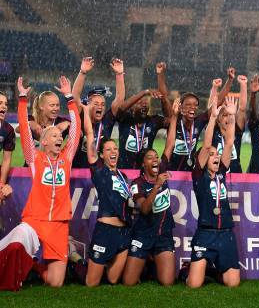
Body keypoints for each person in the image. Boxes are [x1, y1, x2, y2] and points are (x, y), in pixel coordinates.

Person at [17, 75, 81, 288]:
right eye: (53, 136)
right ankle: (28, 262)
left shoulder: (66, 159)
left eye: (59, 136)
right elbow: (25, 129)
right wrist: (22, 98)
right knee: (15, 255)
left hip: (59, 224)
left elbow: (75, 130)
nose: (58, 138)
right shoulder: (34, 158)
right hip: (35, 220)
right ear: (43, 141)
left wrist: (70, 98)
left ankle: (36, 267)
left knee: (55, 283)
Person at [123, 99, 178, 286]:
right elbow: (145, 210)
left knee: (168, 282)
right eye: (150, 157)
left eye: (156, 156)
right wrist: (156, 187)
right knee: (129, 282)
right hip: (143, 234)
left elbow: (169, 144)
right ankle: (146, 261)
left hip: (163, 234)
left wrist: (175, 116)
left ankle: (155, 261)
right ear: (142, 164)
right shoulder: (137, 184)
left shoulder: (161, 169)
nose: (155, 159)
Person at [187, 94, 240, 288]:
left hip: (226, 233)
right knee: (194, 285)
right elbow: (207, 145)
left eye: (217, 155)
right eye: (211, 155)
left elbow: (229, 142)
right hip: (206, 233)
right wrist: (212, 118)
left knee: (232, 283)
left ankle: (214, 269)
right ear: (203, 159)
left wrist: (232, 117)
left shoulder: (222, 173)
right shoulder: (199, 177)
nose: (216, 156)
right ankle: (194, 268)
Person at [82, 105, 132, 287]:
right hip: (105, 232)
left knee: (112, 280)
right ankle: (78, 266)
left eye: (115, 149)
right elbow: (89, 135)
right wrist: (87, 114)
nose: (113, 152)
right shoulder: (100, 172)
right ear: (101, 154)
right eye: (108, 150)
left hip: (124, 233)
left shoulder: (123, 177)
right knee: (92, 283)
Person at [169, 69, 232, 171]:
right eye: (188, 105)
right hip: (171, 172)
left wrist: (229, 80)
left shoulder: (198, 122)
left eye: (195, 105)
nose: (192, 108)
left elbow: (217, 102)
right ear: (180, 107)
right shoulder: (173, 121)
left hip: (191, 173)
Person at [71, 57, 125, 169]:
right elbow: (75, 97)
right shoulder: (81, 117)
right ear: (87, 105)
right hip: (77, 173)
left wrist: (119, 74)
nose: (100, 106)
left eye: (103, 104)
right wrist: (83, 72)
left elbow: (119, 100)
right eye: (96, 104)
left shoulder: (107, 121)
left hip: (99, 175)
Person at [116, 62, 172, 169]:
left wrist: (160, 75)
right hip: (124, 171)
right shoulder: (125, 119)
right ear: (132, 107)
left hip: (145, 173)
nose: (144, 105)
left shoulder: (153, 121)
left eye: (146, 103)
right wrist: (144, 92)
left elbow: (169, 117)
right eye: (139, 103)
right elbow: (122, 108)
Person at [211, 75, 247, 173]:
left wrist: (243, 85)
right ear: (218, 120)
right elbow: (212, 109)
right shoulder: (214, 132)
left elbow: (242, 109)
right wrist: (214, 88)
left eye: (230, 115)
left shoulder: (237, 131)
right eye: (224, 115)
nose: (228, 117)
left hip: (236, 177)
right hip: (217, 176)